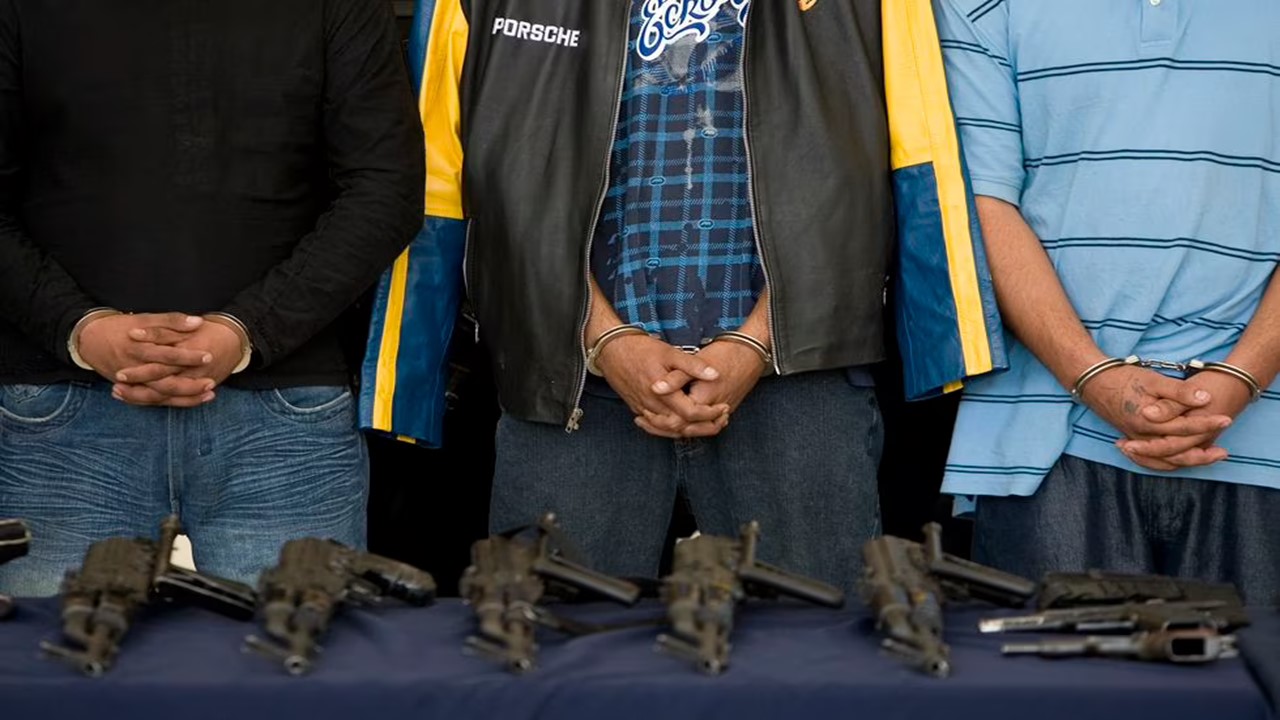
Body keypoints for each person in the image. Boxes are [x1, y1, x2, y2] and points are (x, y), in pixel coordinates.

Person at [360, 0, 1004, 591]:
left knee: (811, 668)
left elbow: (904, 156)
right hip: (573, 382)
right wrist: (601, 334)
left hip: (795, 379)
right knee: (555, 663)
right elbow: (455, 176)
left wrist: (760, 337)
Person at [0, 0, 424, 596]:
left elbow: (388, 191)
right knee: (59, 674)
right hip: (67, 415)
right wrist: (82, 329)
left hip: (280, 414)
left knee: (295, 665)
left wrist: (246, 331)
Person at [935, 0, 1280, 602]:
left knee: (1252, 695)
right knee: (1056, 696)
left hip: (1265, 433)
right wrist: (1092, 375)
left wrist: (1245, 374)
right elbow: (977, 205)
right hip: (1047, 432)